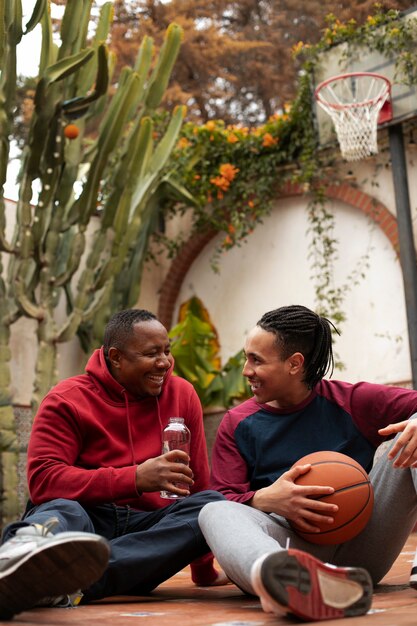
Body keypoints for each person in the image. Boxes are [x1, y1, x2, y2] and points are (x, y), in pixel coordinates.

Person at [0, 309, 226, 620]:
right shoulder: (66, 399)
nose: (164, 362)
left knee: (211, 507)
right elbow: (44, 482)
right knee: (65, 508)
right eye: (151, 353)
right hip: (86, 519)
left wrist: (202, 570)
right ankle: (23, 558)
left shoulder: (182, 394)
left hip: (145, 533)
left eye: (166, 351)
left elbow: (197, 482)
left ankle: (58, 583)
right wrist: (135, 478)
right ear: (116, 357)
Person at [198, 304, 417, 622]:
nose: (246, 371)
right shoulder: (238, 423)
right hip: (289, 547)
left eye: (256, 360)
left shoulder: (352, 400)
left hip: (364, 544)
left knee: (412, 434)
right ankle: (283, 582)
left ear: (294, 364)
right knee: (212, 510)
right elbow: (224, 496)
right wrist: (265, 498)